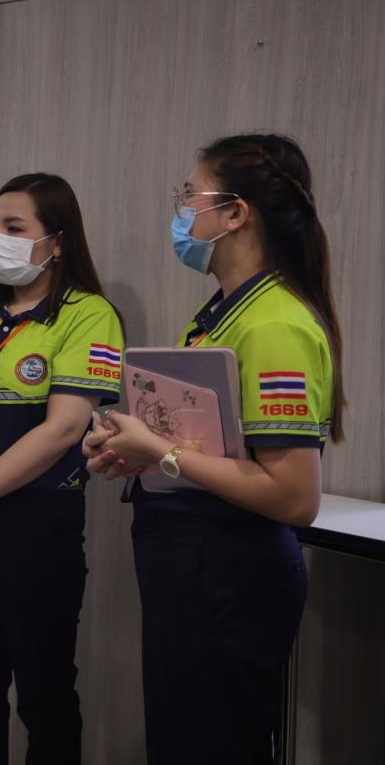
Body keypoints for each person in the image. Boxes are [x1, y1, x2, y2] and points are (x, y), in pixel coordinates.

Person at [83, 134, 343, 765]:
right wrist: (135, 448)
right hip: (193, 566)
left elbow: (294, 496)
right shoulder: (222, 313)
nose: (182, 210)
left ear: (235, 213)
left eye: (190, 194)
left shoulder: (273, 323)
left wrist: (160, 451)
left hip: (230, 573)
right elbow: (213, 447)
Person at [0, 174, 124, 763]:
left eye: (15, 227)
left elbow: (63, 428)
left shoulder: (90, 315)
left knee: (45, 696)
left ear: (56, 242)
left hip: (37, 524)